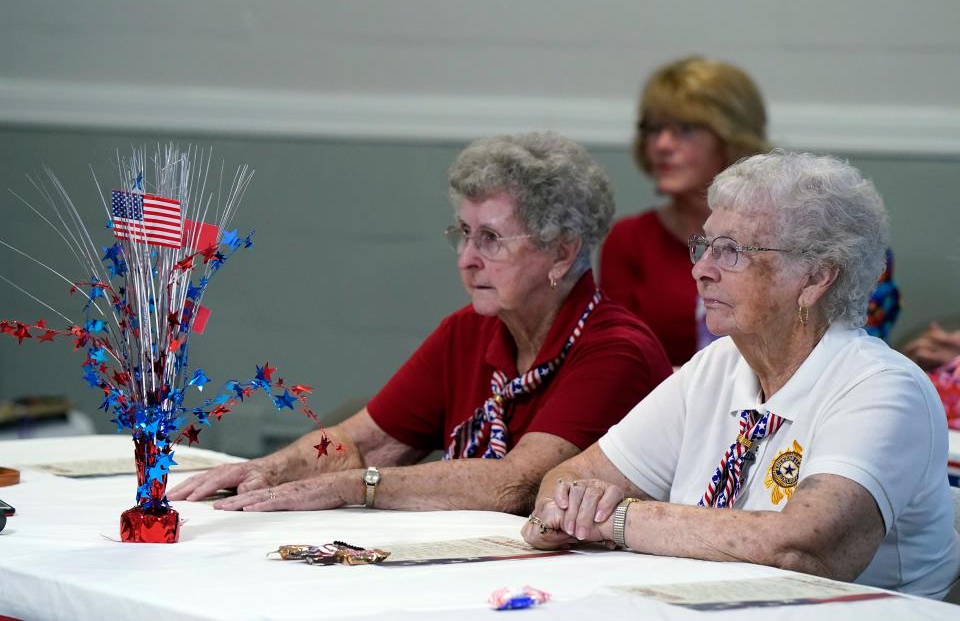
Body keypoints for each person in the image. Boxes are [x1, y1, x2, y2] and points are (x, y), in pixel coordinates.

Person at [523, 152, 960, 598]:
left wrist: (617, 519)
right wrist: (573, 506)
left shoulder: (882, 389)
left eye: (731, 252)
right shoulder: (718, 366)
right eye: (704, 245)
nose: (700, 270)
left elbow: (802, 549)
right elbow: (565, 480)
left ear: (815, 278)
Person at [169, 131, 672, 514]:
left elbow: (515, 484)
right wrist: (267, 471)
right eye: (463, 234)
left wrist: (355, 486)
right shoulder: (467, 333)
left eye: (491, 239)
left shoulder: (614, 349)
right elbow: (362, 442)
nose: (467, 259)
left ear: (561, 252)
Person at [600, 56, 899, 365]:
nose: (662, 144)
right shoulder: (630, 238)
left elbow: (847, 353)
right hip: (670, 401)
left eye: (685, 129)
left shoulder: (803, 234)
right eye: (654, 129)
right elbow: (619, 358)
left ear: (731, 135)